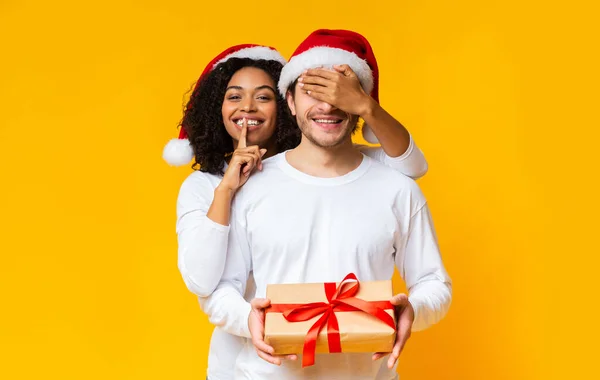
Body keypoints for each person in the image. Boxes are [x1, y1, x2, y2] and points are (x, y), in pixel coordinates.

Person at [165, 39, 430, 379]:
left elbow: (409, 167)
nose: (248, 108)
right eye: (234, 96)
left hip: (345, 361)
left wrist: (364, 105)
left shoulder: (323, 161)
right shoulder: (213, 187)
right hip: (247, 360)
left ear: (283, 104)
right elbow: (204, 282)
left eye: (263, 96)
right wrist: (226, 190)